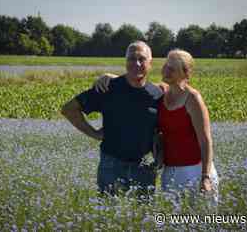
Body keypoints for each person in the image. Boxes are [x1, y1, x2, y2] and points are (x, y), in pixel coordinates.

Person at [94, 49, 219, 205]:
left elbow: (205, 140)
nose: (166, 70)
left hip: (195, 169)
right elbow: (137, 82)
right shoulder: (162, 92)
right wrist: (109, 77)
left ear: (185, 73)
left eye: (172, 69)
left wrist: (205, 177)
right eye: (166, 65)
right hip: (170, 171)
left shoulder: (193, 98)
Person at [61, 41, 163, 196]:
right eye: (131, 59)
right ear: (125, 62)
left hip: (144, 167)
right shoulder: (108, 88)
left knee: (142, 215)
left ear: (150, 63)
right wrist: (94, 133)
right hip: (111, 165)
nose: (136, 63)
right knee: (107, 214)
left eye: (142, 59)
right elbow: (69, 109)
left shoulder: (157, 94)